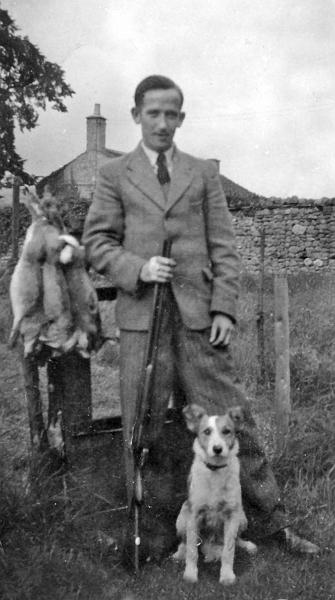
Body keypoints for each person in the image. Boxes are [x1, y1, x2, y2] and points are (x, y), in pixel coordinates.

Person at [83, 75, 319, 554]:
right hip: (142, 322)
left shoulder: (202, 174)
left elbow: (225, 250)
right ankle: (148, 537)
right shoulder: (113, 176)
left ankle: (272, 527)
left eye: (172, 114)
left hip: (199, 324)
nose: (163, 123)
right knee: (143, 428)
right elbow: (96, 244)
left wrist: (225, 310)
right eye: (153, 113)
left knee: (239, 423)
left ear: (182, 118)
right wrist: (139, 266)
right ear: (136, 116)